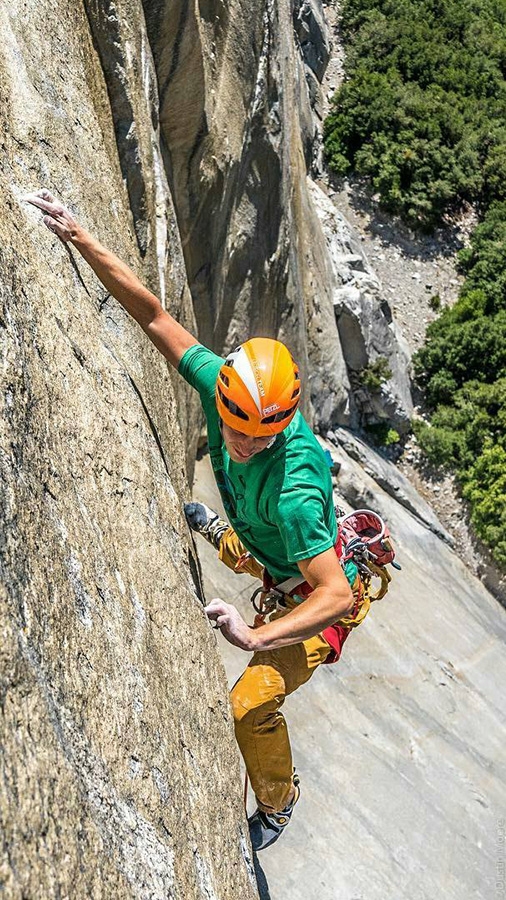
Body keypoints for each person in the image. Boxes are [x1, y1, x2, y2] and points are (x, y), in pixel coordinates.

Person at [25, 189, 361, 851]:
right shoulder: (223, 385)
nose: (239, 446)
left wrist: (256, 638)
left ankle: (279, 799)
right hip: (274, 554)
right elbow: (153, 315)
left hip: (313, 598)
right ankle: (223, 533)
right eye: (234, 432)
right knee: (246, 543)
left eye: (258, 439)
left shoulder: (294, 491)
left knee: (250, 704)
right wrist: (79, 234)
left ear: (283, 425)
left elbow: (336, 593)